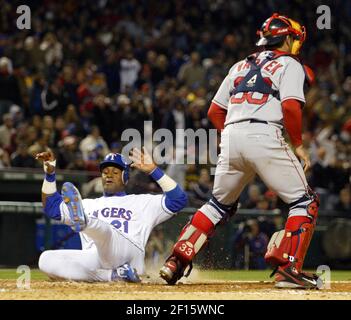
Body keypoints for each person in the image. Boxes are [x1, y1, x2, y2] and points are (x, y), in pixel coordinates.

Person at [160, 13, 320, 289]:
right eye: (295, 39)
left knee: (217, 205)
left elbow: (214, 111)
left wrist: (234, 135)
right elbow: (292, 107)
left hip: (231, 136)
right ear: (288, 39)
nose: (296, 45)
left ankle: (175, 261)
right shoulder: (290, 64)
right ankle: (289, 269)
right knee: (304, 202)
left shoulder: (239, 66)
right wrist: (298, 145)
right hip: (265, 132)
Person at [36, 147, 187, 282]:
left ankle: (85, 222)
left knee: (106, 231)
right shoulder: (88, 204)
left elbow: (179, 199)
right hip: (96, 257)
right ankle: (112, 276)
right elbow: (52, 207)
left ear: (125, 177)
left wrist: (154, 170)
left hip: (129, 254)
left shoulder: (142, 202)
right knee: (45, 259)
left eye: (115, 172)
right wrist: (50, 174)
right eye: (105, 172)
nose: (109, 175)